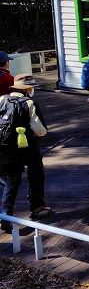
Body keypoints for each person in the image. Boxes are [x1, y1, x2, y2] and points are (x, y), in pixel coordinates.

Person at [0, 74, 50, 233]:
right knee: (36, 174)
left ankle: (5, 215)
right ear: (28, 89)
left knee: (10, 182)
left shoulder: (2, 99)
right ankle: (37, 208)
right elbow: (40, 131)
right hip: (26, 148)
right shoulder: (29, 103)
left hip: (4, 148)